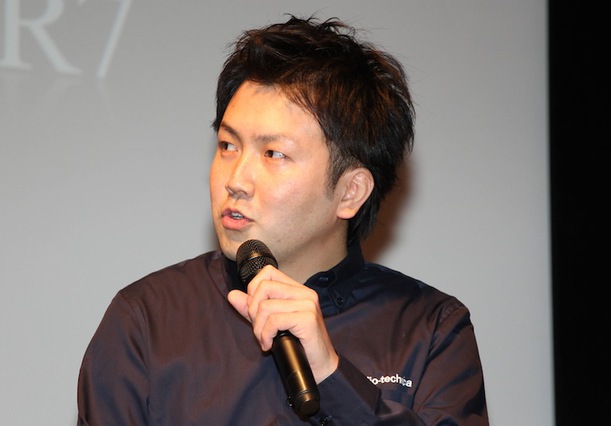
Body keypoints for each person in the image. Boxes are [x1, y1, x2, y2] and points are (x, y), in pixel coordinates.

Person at [77, 15, 488, 425]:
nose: (235, 180)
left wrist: (331, 376)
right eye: (227, 145)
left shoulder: (432, 329)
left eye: (273, 154)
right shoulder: (146, 320)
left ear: (350, 192)